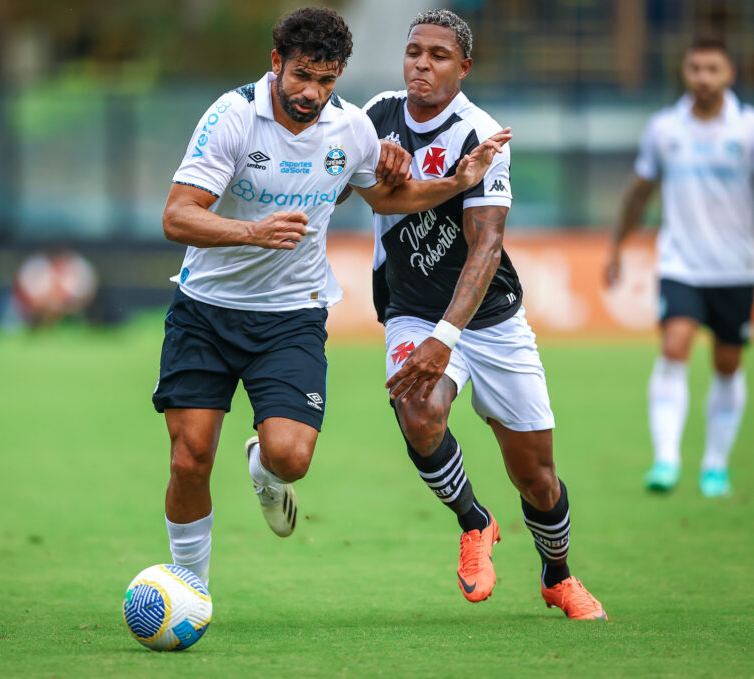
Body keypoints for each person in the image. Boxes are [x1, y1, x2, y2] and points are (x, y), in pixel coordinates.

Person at [153, 7, 509, 587]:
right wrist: (252, 231)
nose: (311, 93)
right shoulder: (231, 116)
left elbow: (383, 197)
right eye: (302, 77)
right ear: (277, 64)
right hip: (207, 311)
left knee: (290, 457)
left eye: (326, 80)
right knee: (190, 457)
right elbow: (176, 216)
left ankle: (264, 470)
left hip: (292, 315)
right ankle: (190, 586)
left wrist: (455, 183)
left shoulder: (350, 127)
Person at [357, 10, 606, 619]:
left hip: (489, 320)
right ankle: (475, 522)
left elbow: (487, 245)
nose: (421, 63)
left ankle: (558, 576)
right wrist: (373, 164)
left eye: (438, 55)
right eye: (414, 51)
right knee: (417, 411)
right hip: (411, 307)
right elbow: (336, 184)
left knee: (537, 477)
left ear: (463, 68)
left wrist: (448, 336)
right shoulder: (374, 116)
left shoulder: (481, 134)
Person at [607, 36, 754, 498]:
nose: (703, 78)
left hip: (736, 268)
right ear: (684, 73)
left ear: (730, 74)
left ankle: (714, 466)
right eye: (695, 68)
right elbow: (639, 192)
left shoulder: (748, 130)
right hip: (682, 263)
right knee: (675, 346)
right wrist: (616, 245)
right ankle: (666, 460)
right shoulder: (664, 129)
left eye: (713, 69)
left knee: (728, 364)